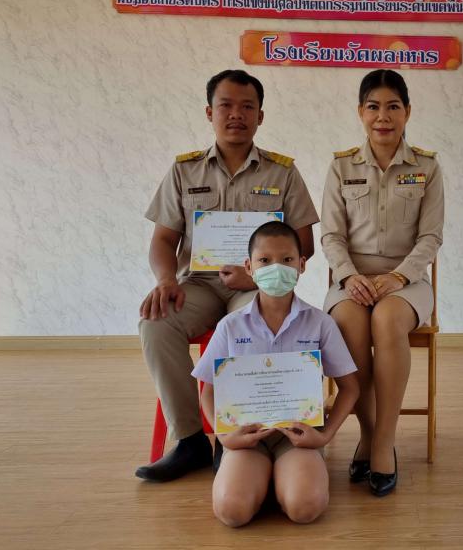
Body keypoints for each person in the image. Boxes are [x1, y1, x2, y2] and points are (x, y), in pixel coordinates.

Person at [135, 70, 320, 482]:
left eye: (247, 107)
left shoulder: (283, 173)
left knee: (253, 321)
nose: (236, 114)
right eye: (226, 106)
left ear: (260, 116)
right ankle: (190, 441)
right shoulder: (184, 171)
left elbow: (304, 245)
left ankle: (239, 438)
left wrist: (259, 276)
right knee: (155, 323)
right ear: (209, 112)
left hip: (256, 287)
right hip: (197, 286)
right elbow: (163, 240)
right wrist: (166, 280)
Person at [320, 69, 444, 497]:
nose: (383, 116)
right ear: (361, 112)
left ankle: (384, 442)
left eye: (393, 106)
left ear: (407, 111)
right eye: (373, 106)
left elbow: (431, 237)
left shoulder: (427, 166)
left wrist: (398, 276)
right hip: (351, 279)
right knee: (350, 323)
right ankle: (369, 434)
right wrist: (350, 276)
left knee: (387, 320)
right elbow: (331, 236)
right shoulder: (341, 167)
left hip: (406, 281)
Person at [192, 221, 359, 526]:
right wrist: (225, 438)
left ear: (302, 265)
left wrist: (323, 437)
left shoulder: (320, 324)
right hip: (246, 435)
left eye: (287, 259)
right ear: (249, 267)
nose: (276, 268)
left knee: (306, 508)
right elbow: (208, 390)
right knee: (231, 512)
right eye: (265, 260)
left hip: (297, 437)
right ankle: (263, 478)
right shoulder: (230, 325)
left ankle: (281, 480)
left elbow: (350, 387)